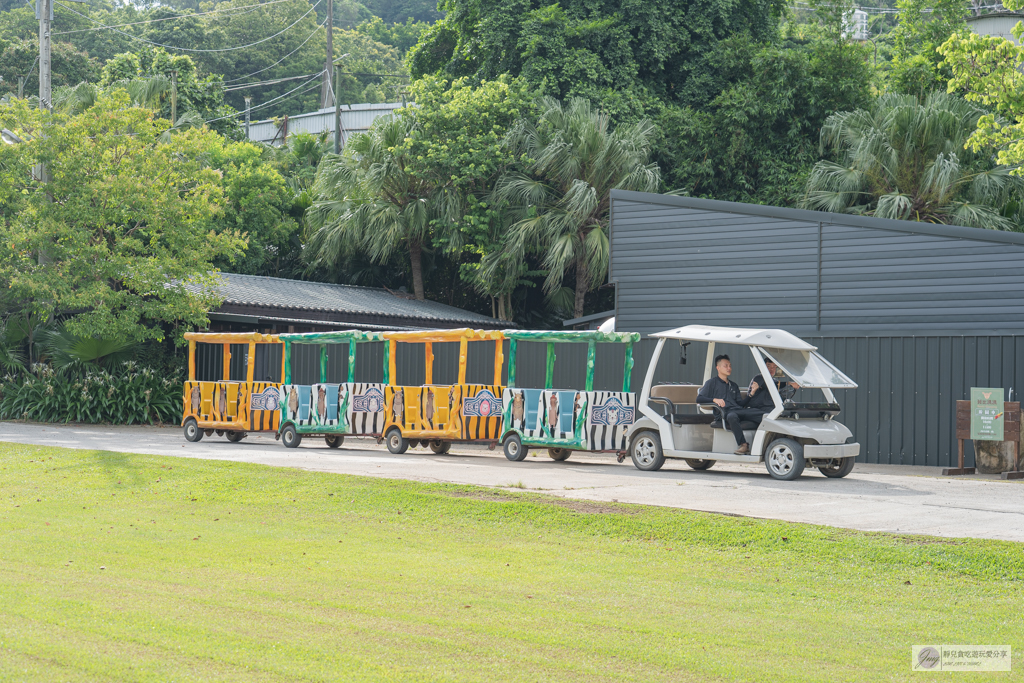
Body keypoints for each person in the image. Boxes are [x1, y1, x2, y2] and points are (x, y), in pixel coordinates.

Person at [696, 354, 764, 455]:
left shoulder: (734, 385)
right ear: (718, 368)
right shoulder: (711, 383)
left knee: (762, 414)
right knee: (732, 416)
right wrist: (714, 399)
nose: (729, 368)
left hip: (738, 411)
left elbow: (740, 404)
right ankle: (744, 445)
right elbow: (699, 398)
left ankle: (767, 441)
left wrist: (751, 393)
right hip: (724, 414)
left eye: (730, 366)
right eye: (726, 366)